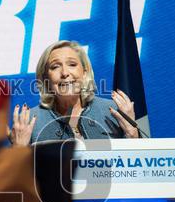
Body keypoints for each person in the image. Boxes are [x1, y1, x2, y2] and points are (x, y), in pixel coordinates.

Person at [8, 39, 140, 144]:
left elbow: (142, 170)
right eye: (55, 67)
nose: (65, 73)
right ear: (45, 78)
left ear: (84, 72)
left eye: (72, 64)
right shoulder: (30, 121)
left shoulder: (113, 111)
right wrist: (18, 150)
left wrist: (132, 135)